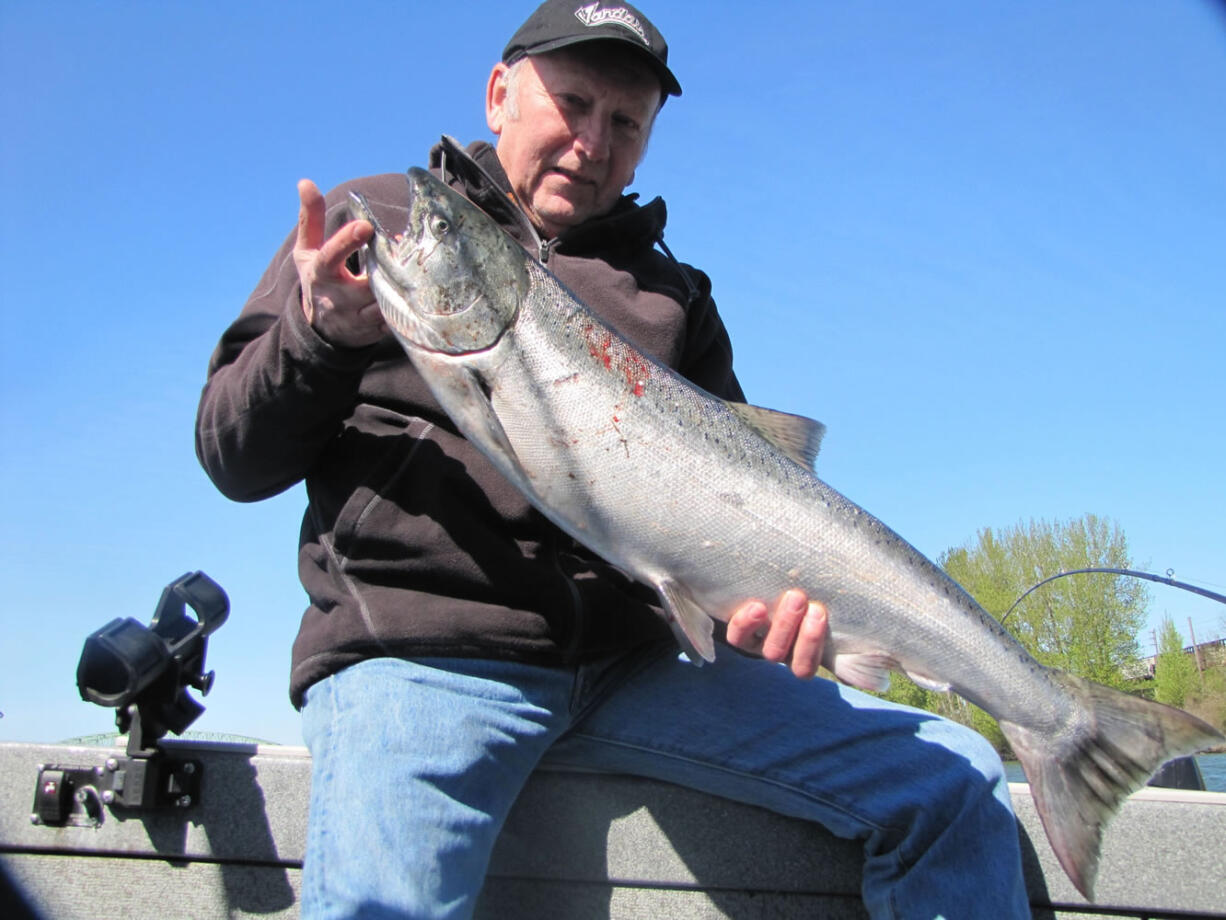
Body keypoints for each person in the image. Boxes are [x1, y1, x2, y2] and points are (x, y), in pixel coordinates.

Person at [196, 2, 1030, 917]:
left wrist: (761, 614)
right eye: (573, 102)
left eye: (625, 122)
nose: (593, 142)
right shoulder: (377, 227)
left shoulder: (675, 297)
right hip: (420, 656)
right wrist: (317, 338)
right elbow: (232, 456)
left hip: (644, 668)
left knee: (953, 780)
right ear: (499, 94)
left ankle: (1054, 723)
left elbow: (755, 497)